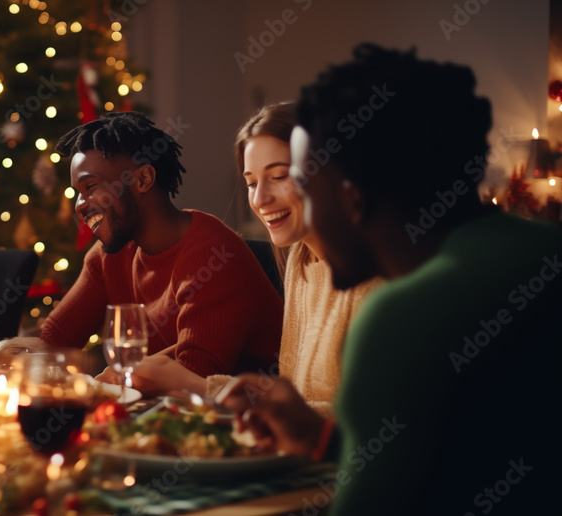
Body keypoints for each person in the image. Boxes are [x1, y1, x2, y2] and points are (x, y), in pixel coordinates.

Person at [220, 44, 562, 515]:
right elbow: (449, 460)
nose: (269, 201)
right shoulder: (538, 250)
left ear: (351, 199)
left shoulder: (400, 315)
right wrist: (323, 440)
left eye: (304, 183)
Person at [121, 104, 382, 414]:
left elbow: (372, 418)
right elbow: (294, 399)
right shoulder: (302, 259)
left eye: (279, 176)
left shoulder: (377, 276)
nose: (260, 200)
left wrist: (196, 386)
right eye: (251, 183)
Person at [39, 112, 284, 377]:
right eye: (77, 192)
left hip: (240, 413)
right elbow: (52, 342)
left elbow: (195, 375)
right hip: (163, 412)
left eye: (91, 186)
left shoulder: (213, 254)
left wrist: (113, 380)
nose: (80, 205)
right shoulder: (110, 254)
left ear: (143, 179)